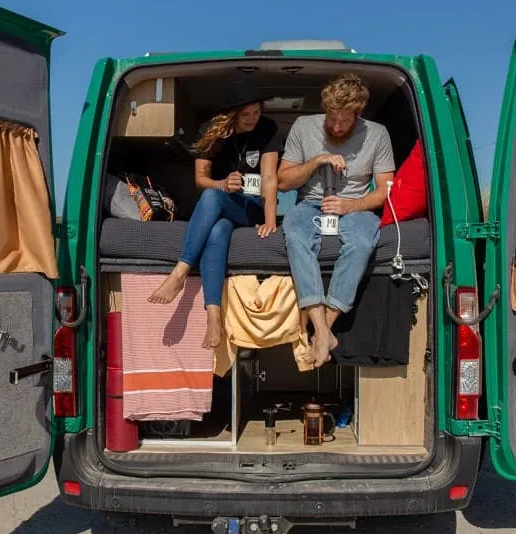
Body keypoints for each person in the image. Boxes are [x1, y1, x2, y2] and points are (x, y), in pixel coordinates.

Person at [148, 82, 282, 349]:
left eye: (257, 112)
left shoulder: (268, 128)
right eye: (246, 115)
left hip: (252, 206)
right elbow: (200, 180)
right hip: (223, 201)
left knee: (211, 198)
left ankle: (179, 273)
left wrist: (270, 221)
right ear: (232, 115)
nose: (253, 119)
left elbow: (269, 177)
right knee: (218, 227)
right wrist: (222, 184)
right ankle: (214, 316)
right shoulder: (211, 131)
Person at [277, 73, 396, 367]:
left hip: (356, 206)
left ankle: (323, 331)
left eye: (344, 121)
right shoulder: (303, 126)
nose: (337, 126)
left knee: (363, 242)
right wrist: (317, 160)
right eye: (332, 119)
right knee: (295, 233)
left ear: (358, 114)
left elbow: (385, 191)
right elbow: (283, 181)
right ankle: (322, 332)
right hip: (310, 204)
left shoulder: (377, 134)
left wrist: (349, 205)